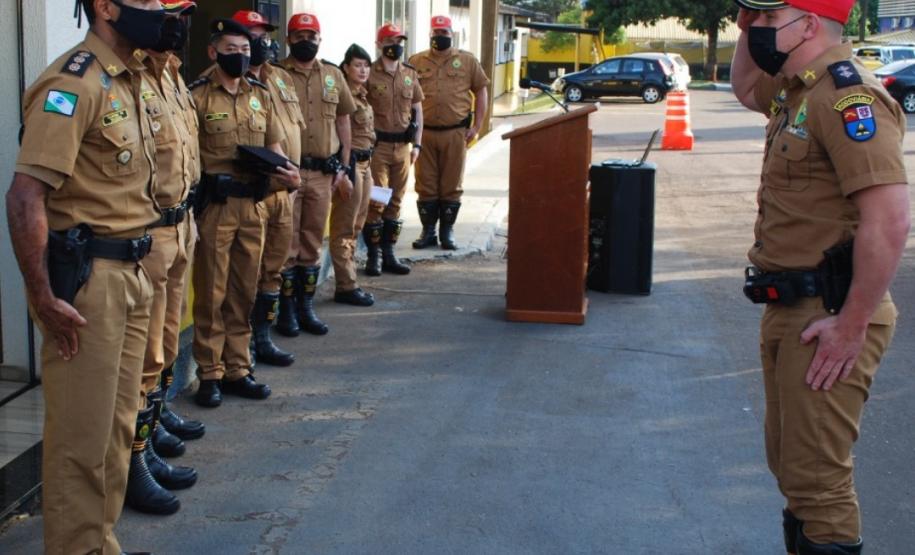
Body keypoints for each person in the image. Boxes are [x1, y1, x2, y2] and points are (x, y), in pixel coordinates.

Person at [731, 1, 910, 552]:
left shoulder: (846, 97)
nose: (753, 30)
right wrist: (746, 18)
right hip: (791, 309)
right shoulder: (796, 91)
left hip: (829, 314)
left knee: (819, 486)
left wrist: (851, 325)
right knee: (793, 471)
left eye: (766, 20)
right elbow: (743, 87)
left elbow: (891, 219)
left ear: (807, 24)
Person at [6, 0, 164, 551]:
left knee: (117, 433)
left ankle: (99, 544)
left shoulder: (132, 77)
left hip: (133, 272)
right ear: (105, 7)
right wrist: (41, 296)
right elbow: (26, 195)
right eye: (145, 0)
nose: (159, 9)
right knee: (81, 439)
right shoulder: (72, 83)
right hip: (89, 283)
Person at [190, 18, 300, 408]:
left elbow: (274, 144)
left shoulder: (260, 94)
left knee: (243, 290)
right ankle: (209, 373)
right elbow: (187, 160)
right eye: (231, 49)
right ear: (213, 51)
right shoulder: (197, 96)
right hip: (215, 208)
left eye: (244, 50)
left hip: (254, 206)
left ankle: (238, 367)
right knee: (211, 293)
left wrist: (290, 173)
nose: (239, 56)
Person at [123, 0, 201, 516]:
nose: (174, 24)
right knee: (142, 358)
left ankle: (147, 440)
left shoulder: (169, 74)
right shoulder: (123, 77)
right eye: (165, 12)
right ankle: (132, 465)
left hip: (180, 226)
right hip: (145, 240)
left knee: (166, 344)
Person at [231, 8, 304, 367]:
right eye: (251, 34)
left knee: (274, 268)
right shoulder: (224, 83)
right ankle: (238, 351)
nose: (259, 42)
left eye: (262, 35)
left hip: (285, 191)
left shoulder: (280, 78)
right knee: (245, 275)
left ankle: (263, 337)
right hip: (252, 194)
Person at [276, 13, 357, 335]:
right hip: (288, 174)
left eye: (311, 35)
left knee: (311, 243)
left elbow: (343, 120)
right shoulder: (275, 75)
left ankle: (305, 308)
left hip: (323, 174)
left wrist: (344, 165)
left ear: (319, 39)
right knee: (285, 245)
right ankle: (285, 313)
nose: (305, 41)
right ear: (288, 39)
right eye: (298, 35)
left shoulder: (334, 75)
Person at [408, 15, 489, 250]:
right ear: (430, 34)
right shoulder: (416, 61)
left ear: (451, 34)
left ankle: (447, 232)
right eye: (436, 33)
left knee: (451, 184)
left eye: (444, 33)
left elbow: (481, 91)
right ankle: (428, 232)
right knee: (425, 184)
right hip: (425, 134)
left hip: (455, 132)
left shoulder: (466, 60)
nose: (440, 37)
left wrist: (477, 126)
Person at [364, 22, 424, 276]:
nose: (395, 46)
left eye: (399, 42)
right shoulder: (369, 73)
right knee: (378, 200)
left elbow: (418, 109)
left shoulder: (409, 73)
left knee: (396, 202)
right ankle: (373, 256)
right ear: (379, 44)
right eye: (390, 42)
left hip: (403, 147)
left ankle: (390, 253)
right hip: (378, 147)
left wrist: (418, 144)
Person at [329, 44, 376, 306]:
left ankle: (350, 280)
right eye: (357, 65)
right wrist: (344, 171)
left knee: (357, 226)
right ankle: (346, 286)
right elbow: (339, 135)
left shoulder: (363, 95)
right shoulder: (340, 95)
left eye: (366, 65)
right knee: (344, 228)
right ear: (345, 68)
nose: (363, 70)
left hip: (366, 165)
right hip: (351, 165)